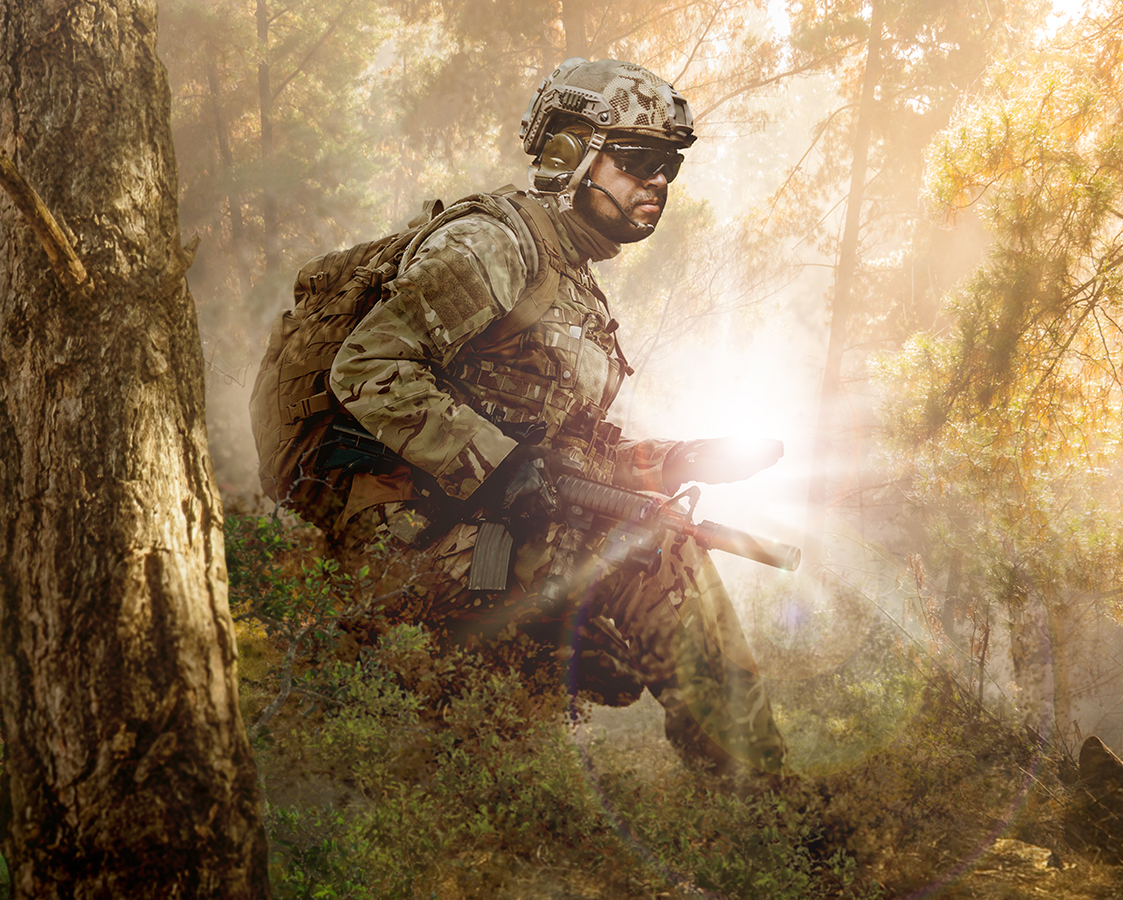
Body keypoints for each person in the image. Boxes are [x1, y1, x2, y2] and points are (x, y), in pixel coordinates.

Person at [324, 58, 788, 778]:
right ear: (569, 152)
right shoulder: (495, 245)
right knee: (656, 558)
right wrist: (498, 465)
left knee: (649, 541)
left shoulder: (572, 280)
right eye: (638, 160)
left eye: (669, 166)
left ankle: (526, 716)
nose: (658, 182)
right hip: (412, 536)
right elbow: (369, 367)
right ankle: (764, 804)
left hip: (493, 536)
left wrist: (674, 461)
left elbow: (565, 454)